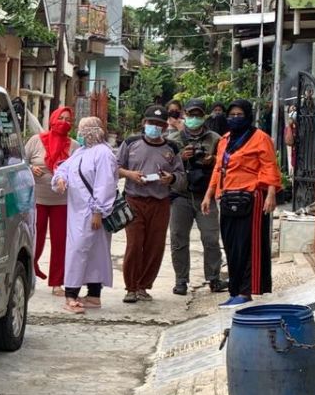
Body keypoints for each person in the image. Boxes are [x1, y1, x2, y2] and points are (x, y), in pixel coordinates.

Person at [202, 99, 281, 306]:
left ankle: (246, 291)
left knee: (248, 246)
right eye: (232, 114)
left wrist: (271, 193)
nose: (235, 118)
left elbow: (269, 167)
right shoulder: (225, 140)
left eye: (240, 115)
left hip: (251, 197)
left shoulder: (260, 138)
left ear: (247, 115)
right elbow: (219, 169)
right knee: (231, 245)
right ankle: (235, 290)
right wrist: (209, 194)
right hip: (228, 198)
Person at [116, 105, 186, 303]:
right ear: (144, 123)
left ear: (165, 127)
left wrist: (170, 178)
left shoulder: (171, 148)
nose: (154, 127)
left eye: (159, 124)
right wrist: (130, 174)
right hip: (134, 199)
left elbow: (181, 176)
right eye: (151, 123)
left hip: (160, 202)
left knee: (155, 247)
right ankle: (130, 287)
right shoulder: (131, 142)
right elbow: (115, 166)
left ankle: (143, 286)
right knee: (135, 244)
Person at [52, 117, 115, 313]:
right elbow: (63, 168)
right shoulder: (81, 152)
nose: (78, 134)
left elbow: (105, 184)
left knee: (79, 252)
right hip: (77, 213)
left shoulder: (104, 154)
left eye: (81, 130)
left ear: (90, 131)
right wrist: (61, 178)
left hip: (91, 213)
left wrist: (98, 210)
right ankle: (93, 296)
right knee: (89, 253)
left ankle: (72, 295)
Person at [166, 99, 227, 296]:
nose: (194, 119)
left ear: (204, 116)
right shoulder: (174, 139)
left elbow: (226, 163)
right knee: (178, 239)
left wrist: (213, 159)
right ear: (184, 114)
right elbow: (165, 168)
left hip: (205, 196)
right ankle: (181, 280)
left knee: (210, 238)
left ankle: (214, 278)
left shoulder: (215, 139)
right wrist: (180, 158)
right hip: (180, 195)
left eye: (198, 115)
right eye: (191, 115)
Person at [23, 105, 79, 294]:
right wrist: (31, 168)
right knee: (35, 240)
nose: (64, 122)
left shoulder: (73, 146)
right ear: (52, 119)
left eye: (68, 119)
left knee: (60, 241)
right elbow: (20, 162)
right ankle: (29, 274)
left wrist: (66, 178)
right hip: (37, 199)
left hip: (61, 201)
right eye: (61, 118)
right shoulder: (35, 141)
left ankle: (57, 282)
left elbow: (79, 172)